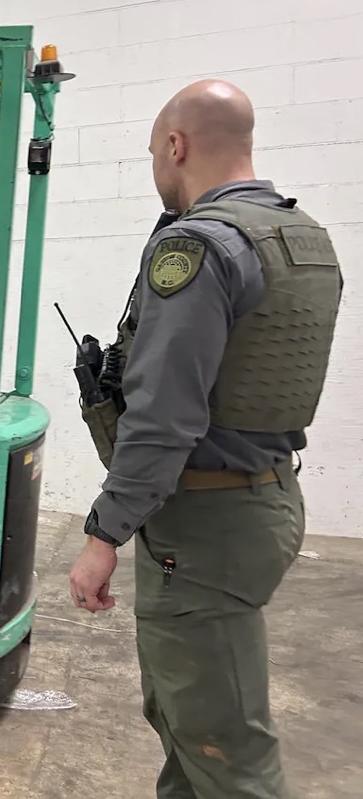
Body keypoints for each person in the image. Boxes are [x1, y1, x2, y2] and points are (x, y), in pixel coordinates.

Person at [68, 79, 342, 798]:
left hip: (204, 525)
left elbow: (164, 416)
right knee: (187, 723)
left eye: (152, 153)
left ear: (176, 145)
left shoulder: (196, 245)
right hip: (263, 496)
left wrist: (104, 533)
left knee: (226, 751)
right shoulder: (303, 236)